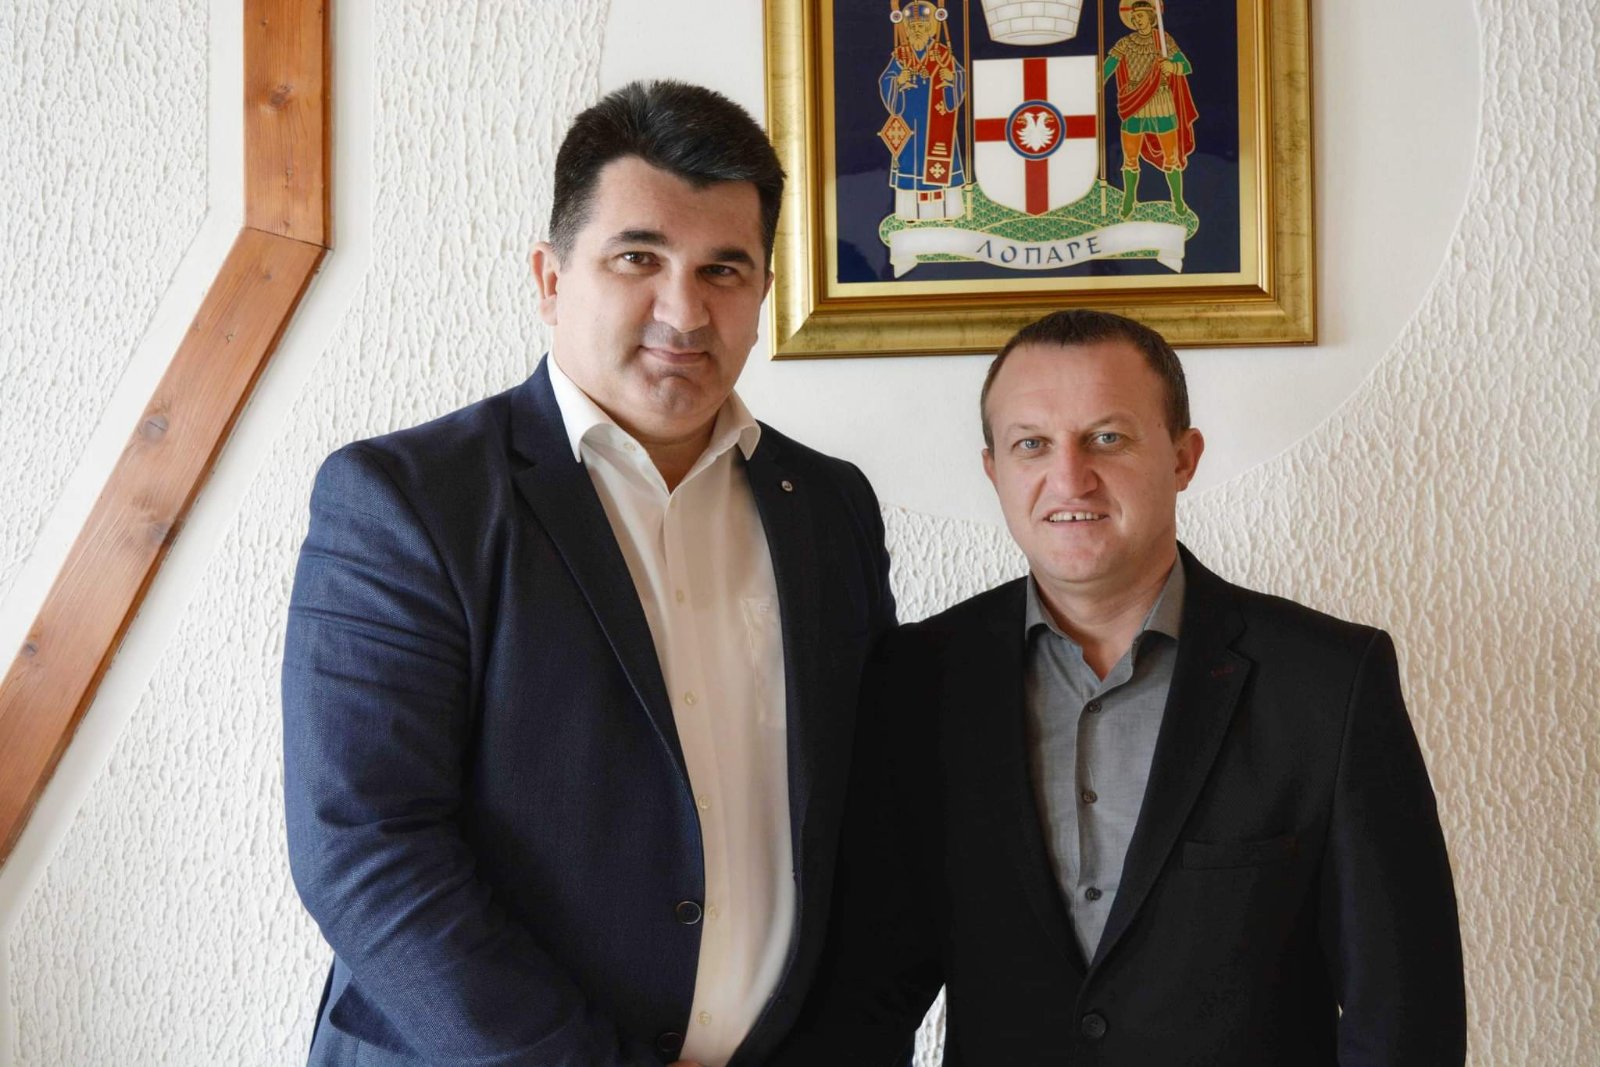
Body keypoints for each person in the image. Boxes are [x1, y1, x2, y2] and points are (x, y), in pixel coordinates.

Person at [282, 80, 896, 1067]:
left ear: (763, 293)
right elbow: (365, 850)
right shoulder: (408, 501)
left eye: (724, 269)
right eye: (638, 258)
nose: (683, 311)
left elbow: (861, 817)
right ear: (551, 277)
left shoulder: (827, 506)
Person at [775, 309, 1466, 1065]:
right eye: (1032, 444)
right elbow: (869, 991)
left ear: (1183, 457)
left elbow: (1404, 1010)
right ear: (994, 470)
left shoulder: (1330, 679)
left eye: (1107, 437)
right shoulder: (917, 680)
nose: (1070, 477)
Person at [1104, 0, 1198, 220]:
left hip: (1160, 102)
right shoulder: (1126, 43)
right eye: (1134, 17)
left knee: (1171, 157)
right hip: (1133, 103)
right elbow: (1109, 66)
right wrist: (1096, 82)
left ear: (1151, 17)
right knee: (1130, 158)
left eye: (1140, 16)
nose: (1136, 20)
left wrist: (1172, 66)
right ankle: (1129, 199)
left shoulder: (1163, 40)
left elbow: (1186, 66)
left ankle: (1178, 200)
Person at [879, 0, 967, 221]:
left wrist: (952, 78)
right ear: (907, 29)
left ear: (930, 28)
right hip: (910, 124)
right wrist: (898, 80)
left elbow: (960, 77)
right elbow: (886, 80)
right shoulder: (900, 56)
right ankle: (909, 213)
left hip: (938, 122)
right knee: (910, 166)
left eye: (921, 26)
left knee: (942, 166)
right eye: (913, 26)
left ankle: (949, 212)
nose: (917, 30)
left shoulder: (942, 54)